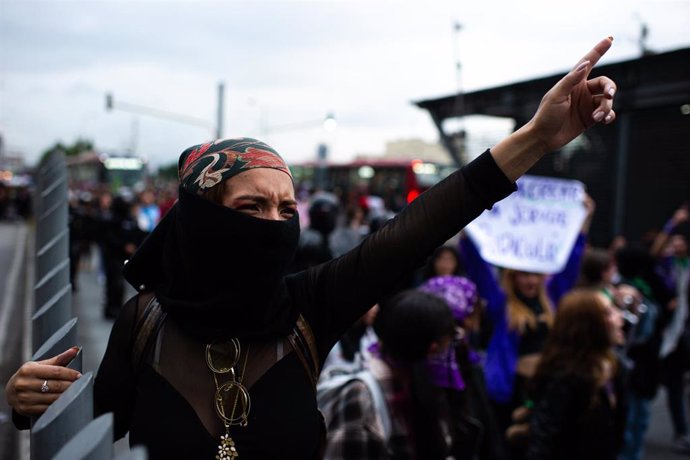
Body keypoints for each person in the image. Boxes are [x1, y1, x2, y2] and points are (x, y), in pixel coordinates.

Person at [6, 38, 618, 459]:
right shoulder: (145, 323)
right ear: (198, 219)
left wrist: (539, 137)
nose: (275, 224)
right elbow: (79, 426)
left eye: (287, 210)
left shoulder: (310, 307)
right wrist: (31, 403)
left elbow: (431, 219)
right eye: (252, 207)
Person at [458, 194, 595, 445]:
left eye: (536, 275)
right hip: (511, 390)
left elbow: (571, 262)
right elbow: (479, 270)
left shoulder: (552, 298)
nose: (530, 281)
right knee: (508, 446)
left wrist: (584, 219)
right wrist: (468, 230)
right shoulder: (502, 304)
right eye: (523, 275)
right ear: (512, 276)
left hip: (546, 388)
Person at [320, 290, 458, 459]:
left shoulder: (425, 390)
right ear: (432, 348)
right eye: (448, 343)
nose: (449, 358)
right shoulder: (361, 397)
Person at [523, 288, 627, 460]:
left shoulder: (613, 368)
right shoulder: (565, 378)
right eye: (609, 313)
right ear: (589, 326)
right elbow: (543, 443)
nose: (619, 319)